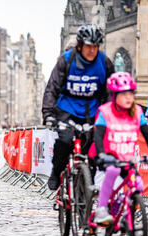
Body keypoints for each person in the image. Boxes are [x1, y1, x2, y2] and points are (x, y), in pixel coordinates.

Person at [42, 24, 115, 190]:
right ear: (80, 45)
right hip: (67, 110)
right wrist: (48, 114)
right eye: (89, 46)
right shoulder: (66, 60)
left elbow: (112, 92)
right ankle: (56, 171)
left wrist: (112, 114)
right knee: (65, 141)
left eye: (95, 46)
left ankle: (86, 185)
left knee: (94, 148)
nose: (92, 50)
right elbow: (52, 88)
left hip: (92, 111)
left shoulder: (104, 63)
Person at [89, 72, 148, 223]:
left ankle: (124, 211)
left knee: (138, 184)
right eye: (124, 94)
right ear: (114, 95)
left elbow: (147, 133)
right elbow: (98, 135)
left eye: (131, 93)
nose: (129, 98)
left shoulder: (137, 112)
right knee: (112, 170)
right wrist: (102, 155)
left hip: (126, 158)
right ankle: (101, 208)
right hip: (107, 157)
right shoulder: (105, 111)